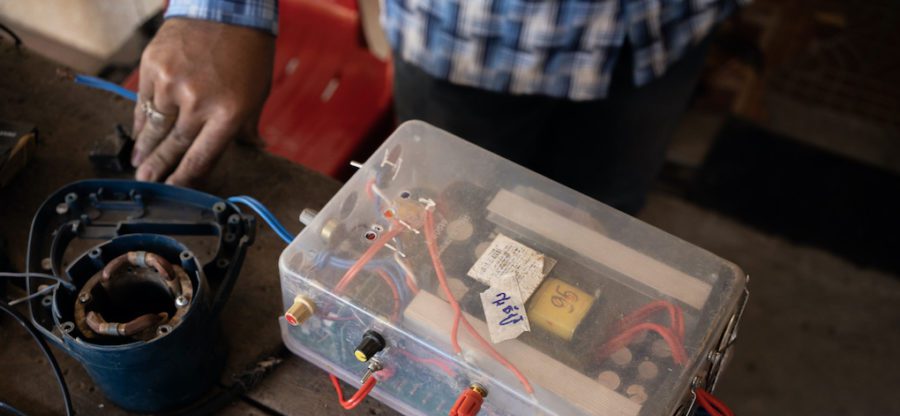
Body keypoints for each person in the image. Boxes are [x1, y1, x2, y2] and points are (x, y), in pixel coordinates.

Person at [133, 0, 744, 214]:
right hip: (466, 41)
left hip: (662, 34)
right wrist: (220, 8)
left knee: (607, 234)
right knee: (442, 234)